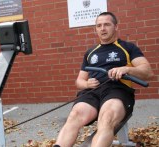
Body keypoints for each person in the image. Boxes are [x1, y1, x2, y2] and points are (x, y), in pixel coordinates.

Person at [53, 12, 153, 147]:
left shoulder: (128, 48)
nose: (102, 28)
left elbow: (147, 72)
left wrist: (126, 69)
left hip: (117, 90)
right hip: (93, 92)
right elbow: (79, 81)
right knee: (74, 116)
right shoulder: (91, 52)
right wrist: (87, 83)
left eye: (107, 24)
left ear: (116, 27)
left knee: (106, 119)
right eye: (99, 25)